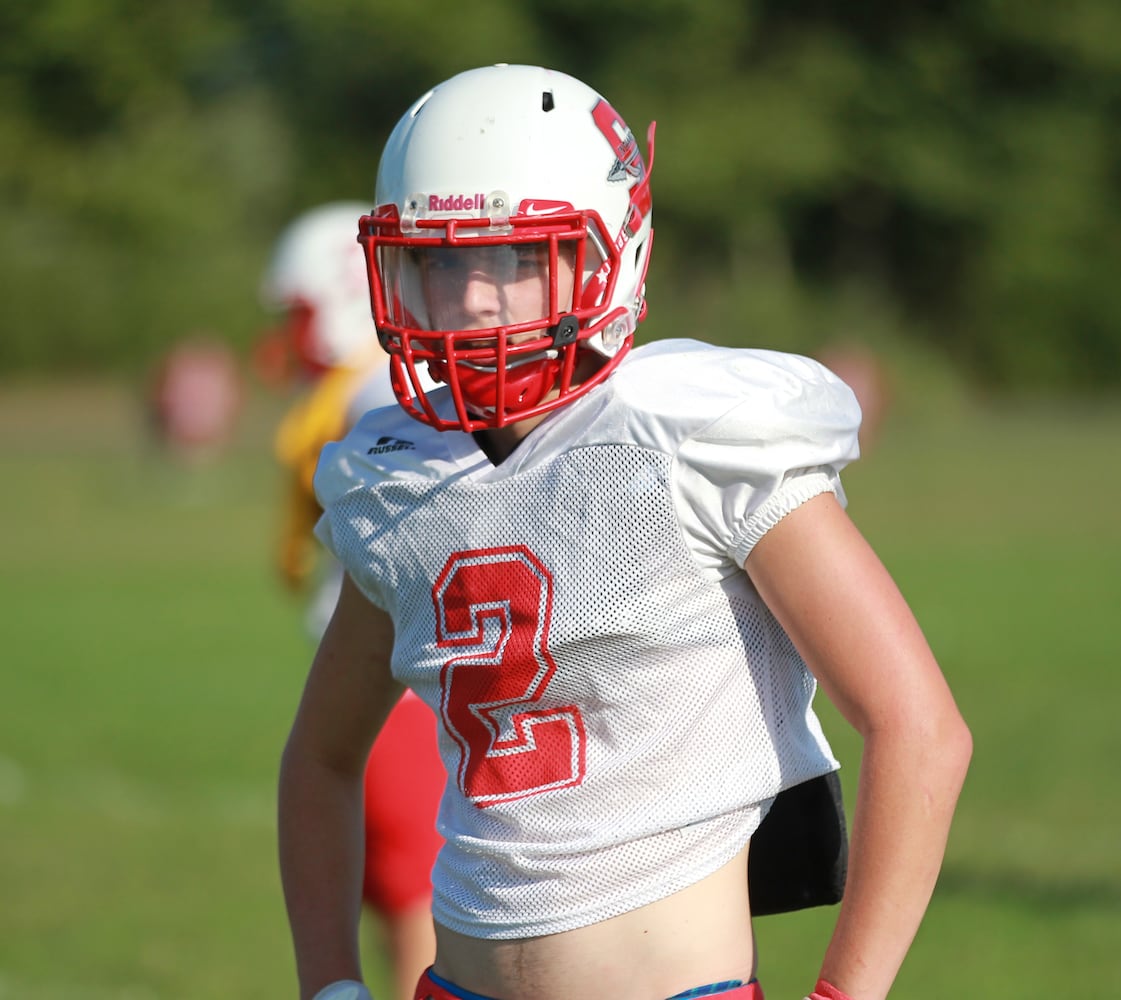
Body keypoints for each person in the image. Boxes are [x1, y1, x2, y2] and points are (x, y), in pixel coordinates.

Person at [277, 64, 972, 1000]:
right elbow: (322, 756)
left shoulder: (692, 435)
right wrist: (329, 983)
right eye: (441, 260)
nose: (475, 298)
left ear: (615, 253)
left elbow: (920, 729)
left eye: (517, 259)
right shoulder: (402, 471)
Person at [261, 202, 444, 1000]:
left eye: (301, 311)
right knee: (384, 883)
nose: (292, 332)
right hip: (377, 663)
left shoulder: (378, 395)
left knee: (415, 895)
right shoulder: (357, 391)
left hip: (408, 677)